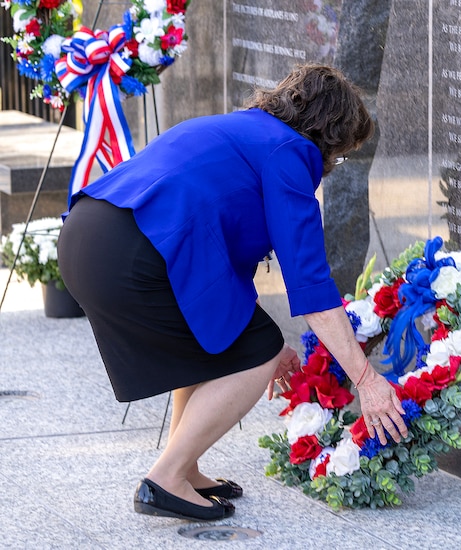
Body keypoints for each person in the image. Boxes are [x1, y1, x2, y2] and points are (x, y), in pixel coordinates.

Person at [57, 63, 408, 521]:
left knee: (216, 340)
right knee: (257, 348)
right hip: (136, 252)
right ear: (328, 134)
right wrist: (366, 380)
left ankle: (185, 467)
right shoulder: (290, 152)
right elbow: (311, 282)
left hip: (89, 235)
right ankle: (166, 479)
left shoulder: (242, 129)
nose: (332, 165)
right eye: (340, 155)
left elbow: (218, 261)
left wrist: (255, 325)